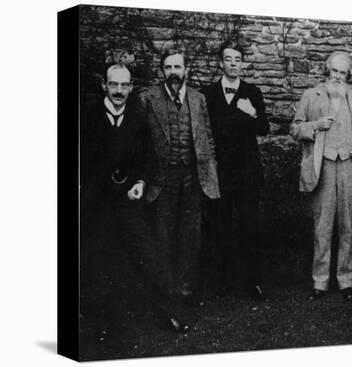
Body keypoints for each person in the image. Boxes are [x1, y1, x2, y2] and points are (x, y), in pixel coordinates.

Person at [80, 64, 185, 341]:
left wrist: (140, 183)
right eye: (113, 85)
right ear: (104, 85)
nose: (118, 91)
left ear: (130, 87)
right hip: (97, 201)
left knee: (148, 254)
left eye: (124, 86)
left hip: (129, 199)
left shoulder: (138, 117)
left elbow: (148, 158)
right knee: (101, 259)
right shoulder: (87, 116)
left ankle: (165, 313)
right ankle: (103, 322)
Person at [290, 51, 352, 302]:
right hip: (323, 166)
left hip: (349, 166)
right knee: (322, 227)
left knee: (347, 227)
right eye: (334, 72)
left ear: (348, 75)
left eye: (343, 73)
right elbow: (295, 128)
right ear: (328, 71)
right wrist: (315, 126)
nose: (338, 77)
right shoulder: (311, 95)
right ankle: (320, 281)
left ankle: (346, 280)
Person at [139, 50, 220, 306]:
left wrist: (210, 170)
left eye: (177, 67)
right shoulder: (147, 98)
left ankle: (186, 290)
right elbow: (139, 142)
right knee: (163, 234)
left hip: (193, 177)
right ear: (161, 71)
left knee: (190, 234)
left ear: (187, 70)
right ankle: (165, 290)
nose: (173, 72)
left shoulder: (198, 99)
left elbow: (207, 137)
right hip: (162, 179)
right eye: (168, 67)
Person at [201, 40, 271, 301]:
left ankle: (253, 282)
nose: (233, 63)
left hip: (247, 172)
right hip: (220, 171)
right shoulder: (207, 94)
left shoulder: (252, 92)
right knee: (220, 226)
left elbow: (264, 128)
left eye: (237, 59)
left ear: (243, 63)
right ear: (221, 62)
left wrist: (252, 112)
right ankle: (223, 281)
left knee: (249, 226)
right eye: (228, 59)